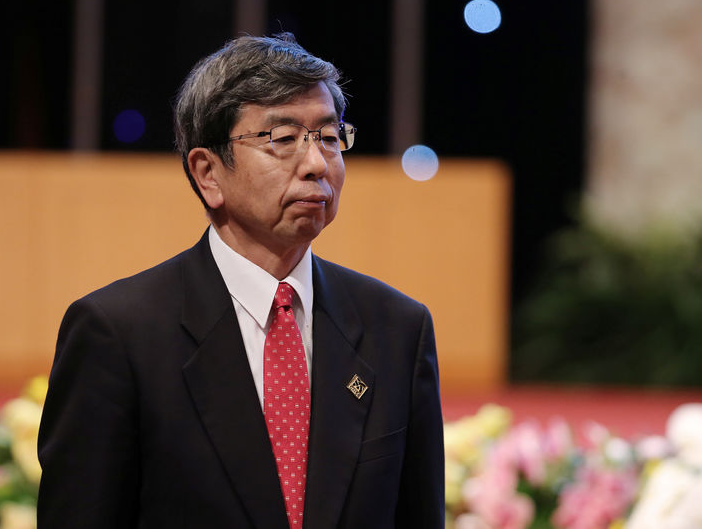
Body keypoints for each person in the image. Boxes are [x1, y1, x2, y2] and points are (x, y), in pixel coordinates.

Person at [37, 33, 444, 528]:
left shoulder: (398, 328)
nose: (317, 164)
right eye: (282, 138)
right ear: (208, 173)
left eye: (330, 137)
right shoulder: (118, 334)